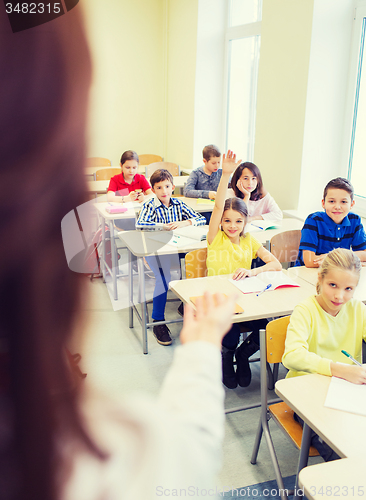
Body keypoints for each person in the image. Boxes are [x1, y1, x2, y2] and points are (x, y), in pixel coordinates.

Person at [0, 7, 238, 500]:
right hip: (149, 249)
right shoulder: (107, 457)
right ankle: (157, 317)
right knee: (158, 275)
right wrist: (201, 346)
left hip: (170, 249)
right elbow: (185, 454)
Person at [206, 151, 282, 389]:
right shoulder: (215, 238)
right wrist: (226, 174)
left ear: (246, 222)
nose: (232, 226)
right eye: (227, 221)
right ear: (220, 223)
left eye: (238, 221)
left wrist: (252, 272)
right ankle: (227, 356)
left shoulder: (249, 240)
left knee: (266, 327)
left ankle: (241, 354)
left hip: (244, 295)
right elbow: (219, 206)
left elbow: (276, 264)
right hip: (219, 298)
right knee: (229, 329)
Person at [282, 248, 366, 460]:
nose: (339, 295)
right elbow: (291, 356)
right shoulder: (306, 310)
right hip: (306, 393)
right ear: (320, 278)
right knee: (341, 451)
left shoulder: (358, 308)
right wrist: (340, 369)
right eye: (332, 285)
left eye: (349, 288)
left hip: (346, 393)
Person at [136, 169, 206, 345]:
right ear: (153, 190)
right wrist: (163, 227)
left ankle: (186, 305)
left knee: (196, 269)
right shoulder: (149, 206)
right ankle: (158, 321)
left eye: (167, 186)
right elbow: (140, 224)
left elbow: (200, 219)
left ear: (173, 187)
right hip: (156, 250)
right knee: (164, 278)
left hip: (177, 248)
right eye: (159, 187)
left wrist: (185, 222)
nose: (164, 191)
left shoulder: (178, 204)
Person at [296, 177, 366, 267]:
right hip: (306, 273)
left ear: (351, 204)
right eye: (332, 201)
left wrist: (334, 257)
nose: (337, 206)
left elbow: (364, 255)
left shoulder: (355, 220)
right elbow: (310, 261)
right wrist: (349, 259)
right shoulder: (313, 221)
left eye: (343, 202)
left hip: (337, 273)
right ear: (323, 203)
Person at [107, 150, 153, 230]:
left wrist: (144, 198)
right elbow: (109, 197)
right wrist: (126, 198)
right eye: (127, 167)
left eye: (134, 168)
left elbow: (153, 194)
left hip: (138, 213)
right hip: (122, 216)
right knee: (134, 223)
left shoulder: (141, 178)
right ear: (121, 166)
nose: (131, 171)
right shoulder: (115, 180)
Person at [184, 144, 222, 224]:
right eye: (213, 163)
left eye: (219, 162)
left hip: (218, 207)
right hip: (202, 209)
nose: (217, 165)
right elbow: (187, 191)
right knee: (208, 219)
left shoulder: (221, 173)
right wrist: (207, 194)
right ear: (205, 161)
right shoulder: (196, 173)